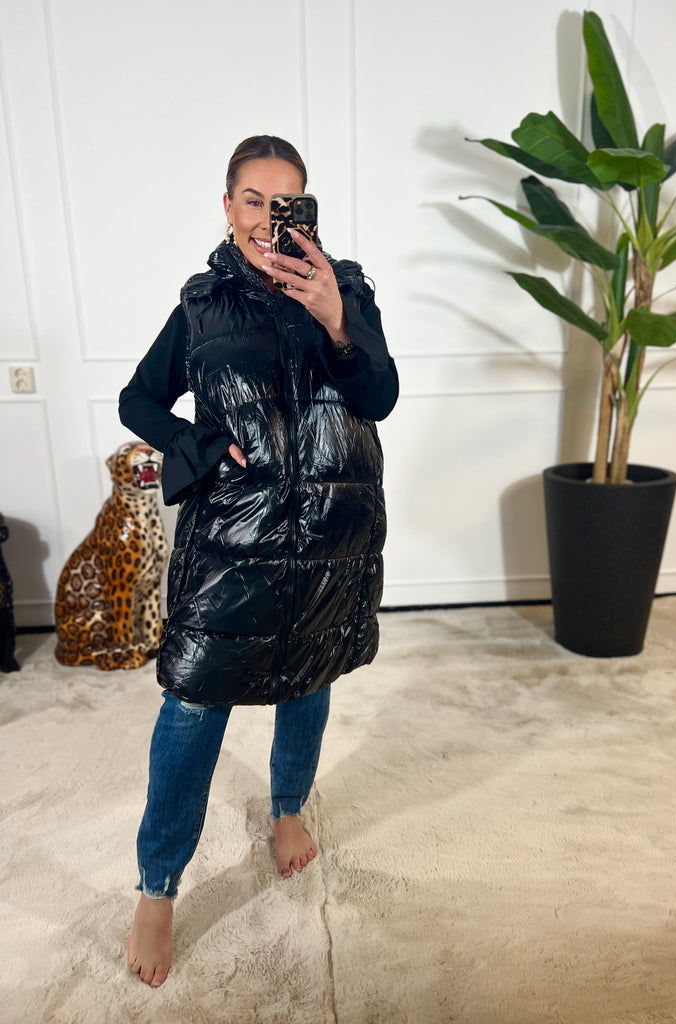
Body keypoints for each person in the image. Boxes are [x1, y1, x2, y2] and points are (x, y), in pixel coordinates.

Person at [118, 135, 398, 988]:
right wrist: (197, 443)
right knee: (193, 703)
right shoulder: (201, 307)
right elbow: (139, 398)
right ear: (228, 205)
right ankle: (157, 887)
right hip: (233, 539)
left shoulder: (345, 289)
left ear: (306, 211)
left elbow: (379, 396)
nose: (267, 218)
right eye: (252, 200)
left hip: (329, 533)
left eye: (285, 204)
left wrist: (337, 321)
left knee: (309, 679)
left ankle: (286, 810)